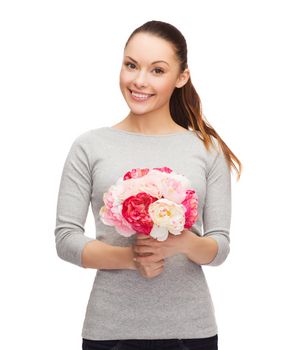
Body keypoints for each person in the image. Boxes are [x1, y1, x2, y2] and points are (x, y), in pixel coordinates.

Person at [54, 20, 242, 350]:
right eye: (131, 66)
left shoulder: (207, 150)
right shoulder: (89, 146)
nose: (139, 81)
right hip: (109, 331)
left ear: (181, 77)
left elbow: (220, 246)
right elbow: (66, 237)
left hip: (191, 332)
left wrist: (181, 243)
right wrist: (130, 258)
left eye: (157, 70)